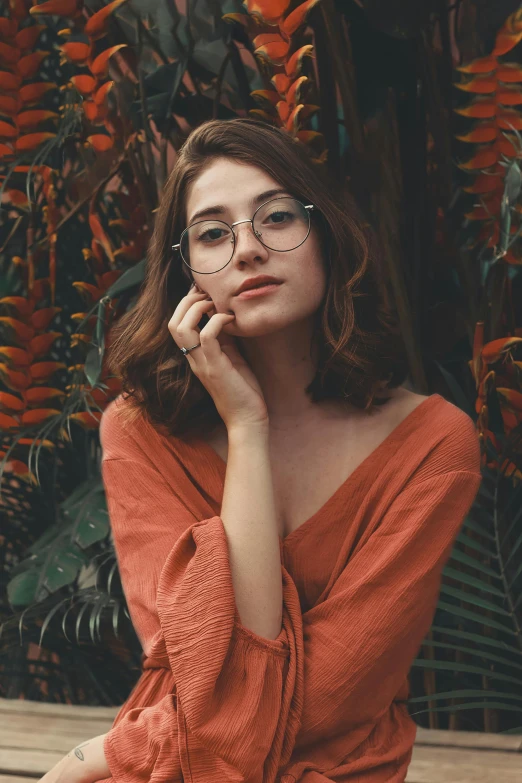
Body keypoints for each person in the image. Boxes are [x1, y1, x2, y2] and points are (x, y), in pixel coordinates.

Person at [39, 118, 482, 783]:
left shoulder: (430, 445)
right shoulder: (140, 433)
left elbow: (315, 699)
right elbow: (202, 673)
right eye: (213, 233)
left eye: (276, 218)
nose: (247, 249)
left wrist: (101, 752)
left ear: (326, 238)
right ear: (184, 273)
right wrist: (245, 426)